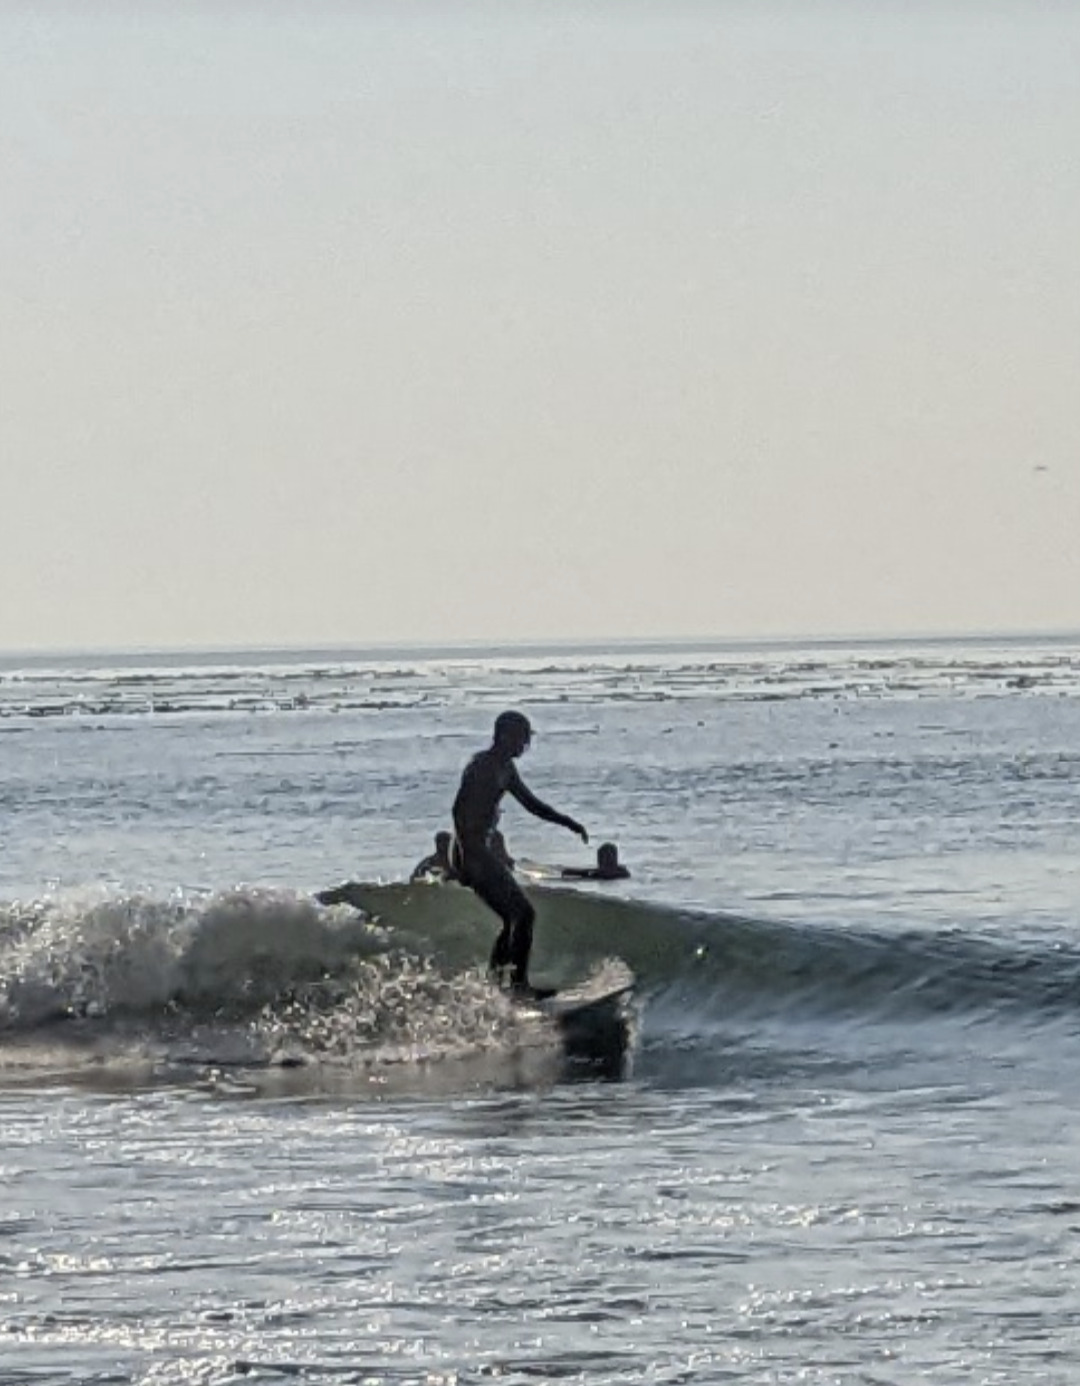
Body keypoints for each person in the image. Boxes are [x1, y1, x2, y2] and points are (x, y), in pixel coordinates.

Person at [451, 709, 588, 997]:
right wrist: (466, 858)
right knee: (524, 915)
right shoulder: (483, 767)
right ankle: (518, 985)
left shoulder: (505, 768)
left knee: (512, 917)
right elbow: (458, 810)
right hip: (473, 852)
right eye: (522, 738)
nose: (525, 745)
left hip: (480, 851)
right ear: (504, 736)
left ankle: (496, 986)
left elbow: (531, 804)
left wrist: (568, 822)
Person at [560, 842, 630, 881]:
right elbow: (583, 872)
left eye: (603, 858)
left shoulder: (623, 872)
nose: (600, 861)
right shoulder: (595, 873)